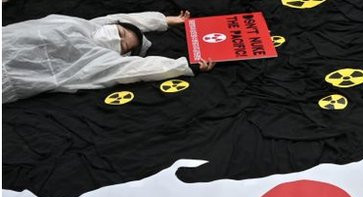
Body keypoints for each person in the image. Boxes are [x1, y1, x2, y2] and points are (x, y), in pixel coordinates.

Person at [2, 10, 216, 104]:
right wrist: (164, 20)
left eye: (123, 46)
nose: (116, 40)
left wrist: (186, 66)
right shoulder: (88, 26)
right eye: (121, 33)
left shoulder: (97, 61)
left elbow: (138, 68)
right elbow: (122, 18)